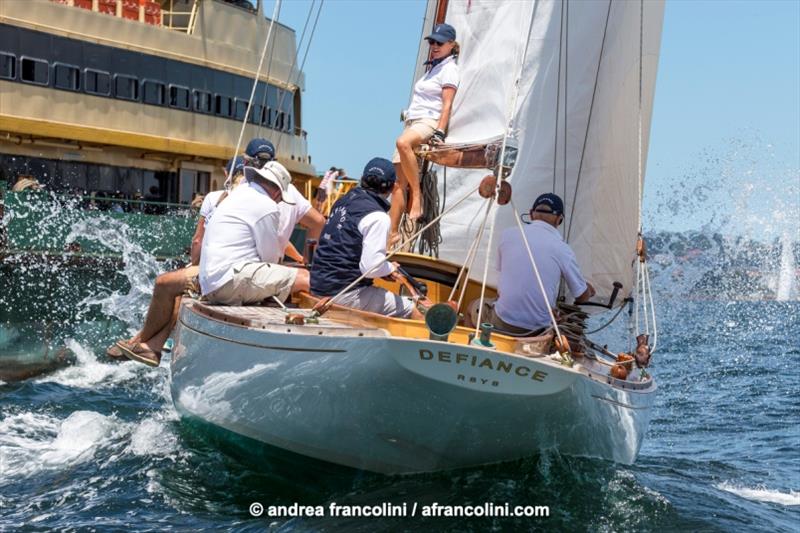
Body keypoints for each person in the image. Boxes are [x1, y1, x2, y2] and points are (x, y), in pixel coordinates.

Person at [310, 157, 423, 320]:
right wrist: (390, 268)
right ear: (392, 187)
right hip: (343, 293)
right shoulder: (377, 216)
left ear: (363, 179)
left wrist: (385, 268)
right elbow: (371, 267)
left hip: (318, 286)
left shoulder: (341, 202)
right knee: (410, 309)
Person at [481, 193, 595, 335]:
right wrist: (588, 289)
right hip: (536, 330)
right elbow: (582, 297)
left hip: (502, 321)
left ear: (530, 214)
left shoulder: (508, 234)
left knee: (471, 309)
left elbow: (502, 272)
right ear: (559, 219)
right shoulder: (563, 249)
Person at [199, 161, 309, 306]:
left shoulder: (239, 193)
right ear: (277, 192)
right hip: (227, 283)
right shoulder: (268, 205)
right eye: (281, 198)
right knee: (305, 278)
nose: (279, 202)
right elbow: (269, 259)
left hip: (210, 284)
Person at [389, 22, 460, 245]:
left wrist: (439, 131)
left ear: (451, 44)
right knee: (398, 185)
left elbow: (447, 104)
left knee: (403, 143)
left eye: (439, 42)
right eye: (432, 42)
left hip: (428, 122)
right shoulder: (432, 68)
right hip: (412, 122)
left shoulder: (449, 69)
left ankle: (417, 198)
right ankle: (393, 236)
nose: (434, 46)